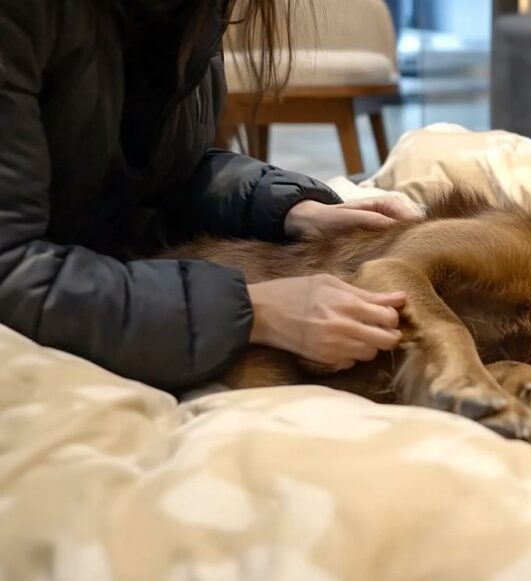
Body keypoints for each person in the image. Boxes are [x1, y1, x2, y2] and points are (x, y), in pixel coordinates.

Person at [0, 0, 419, 391]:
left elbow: (162, 176)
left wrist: (295, 209)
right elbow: (11, 273)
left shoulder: (192, 15)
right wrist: (251, 311)